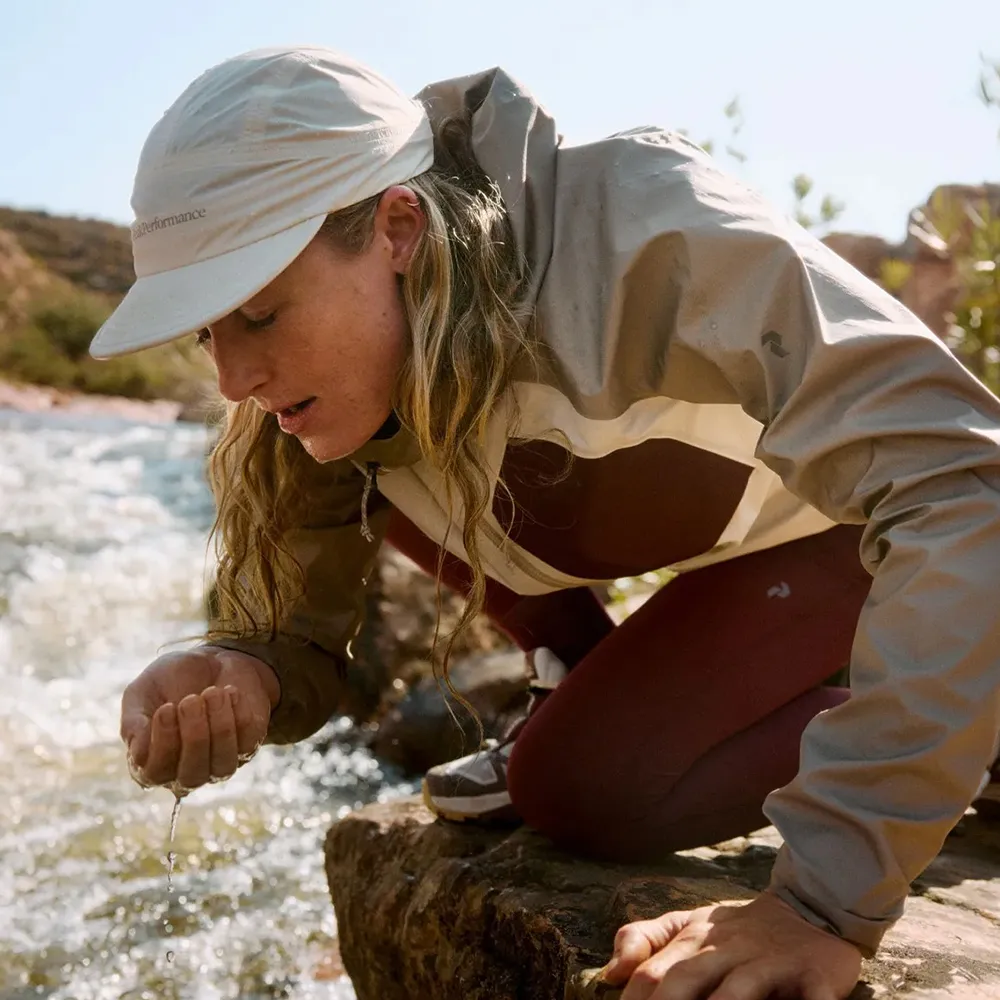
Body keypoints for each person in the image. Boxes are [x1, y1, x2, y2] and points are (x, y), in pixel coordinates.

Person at [93, 46, 1000, 1000]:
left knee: (581, 793)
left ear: (398, 226)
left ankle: (970, 707)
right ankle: (571, 670)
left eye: (262, 315)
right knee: (350, 438)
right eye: (207, 331)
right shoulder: (321, 384)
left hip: (851, 540)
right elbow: (298, 637)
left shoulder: (650, 228)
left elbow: (962, 479)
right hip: (706, 549)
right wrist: (245, 665)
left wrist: (822, 900)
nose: (233, 379)